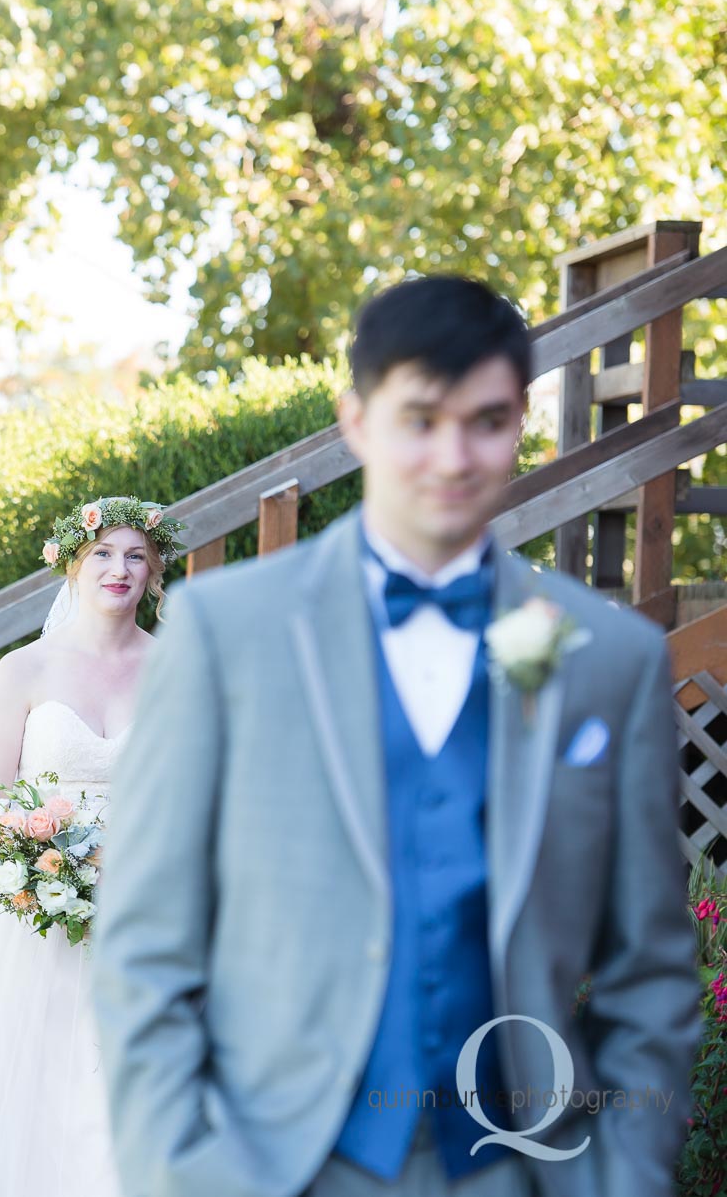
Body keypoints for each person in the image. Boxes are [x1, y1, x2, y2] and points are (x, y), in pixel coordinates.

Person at [91, 276, 699, 1197]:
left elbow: (648, 975)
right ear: (357, 419)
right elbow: (146, 947)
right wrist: (186, 1173)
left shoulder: (611, 658)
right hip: (279, 1170)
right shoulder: (228, 635)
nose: (453, 457)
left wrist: (624, 1177)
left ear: (521, 422)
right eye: (420, 418)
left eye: (486, 421)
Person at [0, 495, 180, 1195]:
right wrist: (49, 871)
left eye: (137, 555)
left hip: (148, 903)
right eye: (103, 553)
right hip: (36, 906)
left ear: (155, 570)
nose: (120, 568)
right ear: (72, 564)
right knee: (31, 1082)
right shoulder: (23, 671)